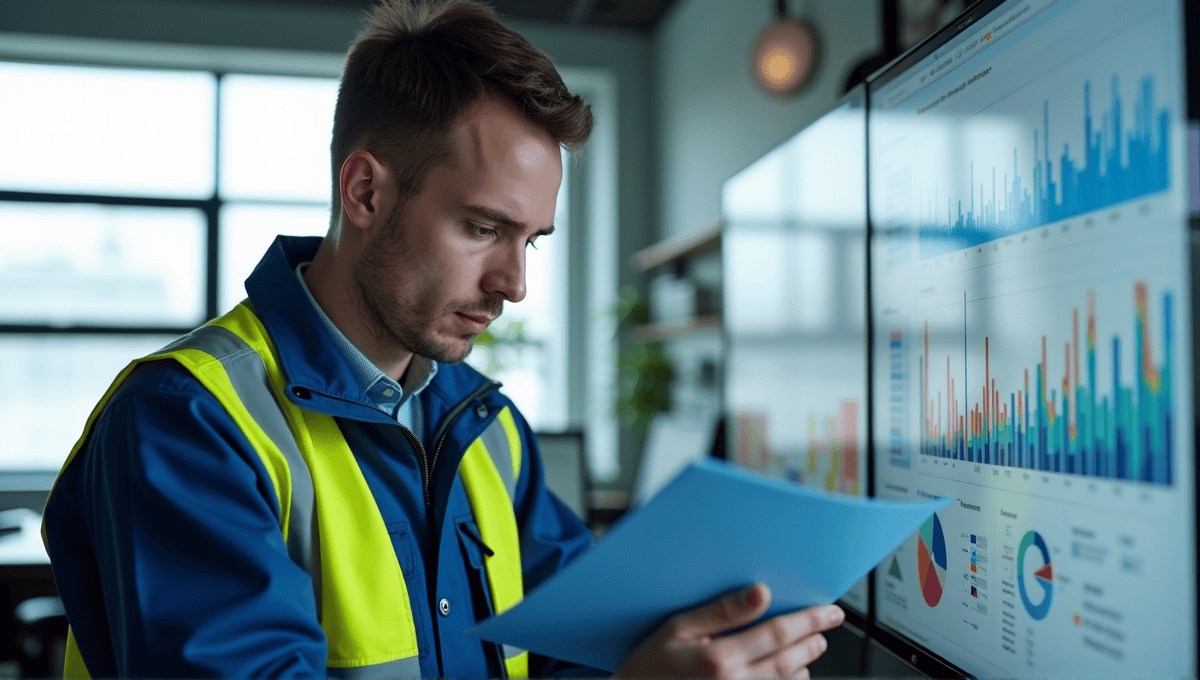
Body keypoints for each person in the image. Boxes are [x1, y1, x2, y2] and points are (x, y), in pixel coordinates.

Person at [41, 0, 844, 677]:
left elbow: (585, 648)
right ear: (364, 192)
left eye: (529, 240)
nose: (514, 284)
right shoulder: (187, 423)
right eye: (483, 227)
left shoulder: (485, 427)